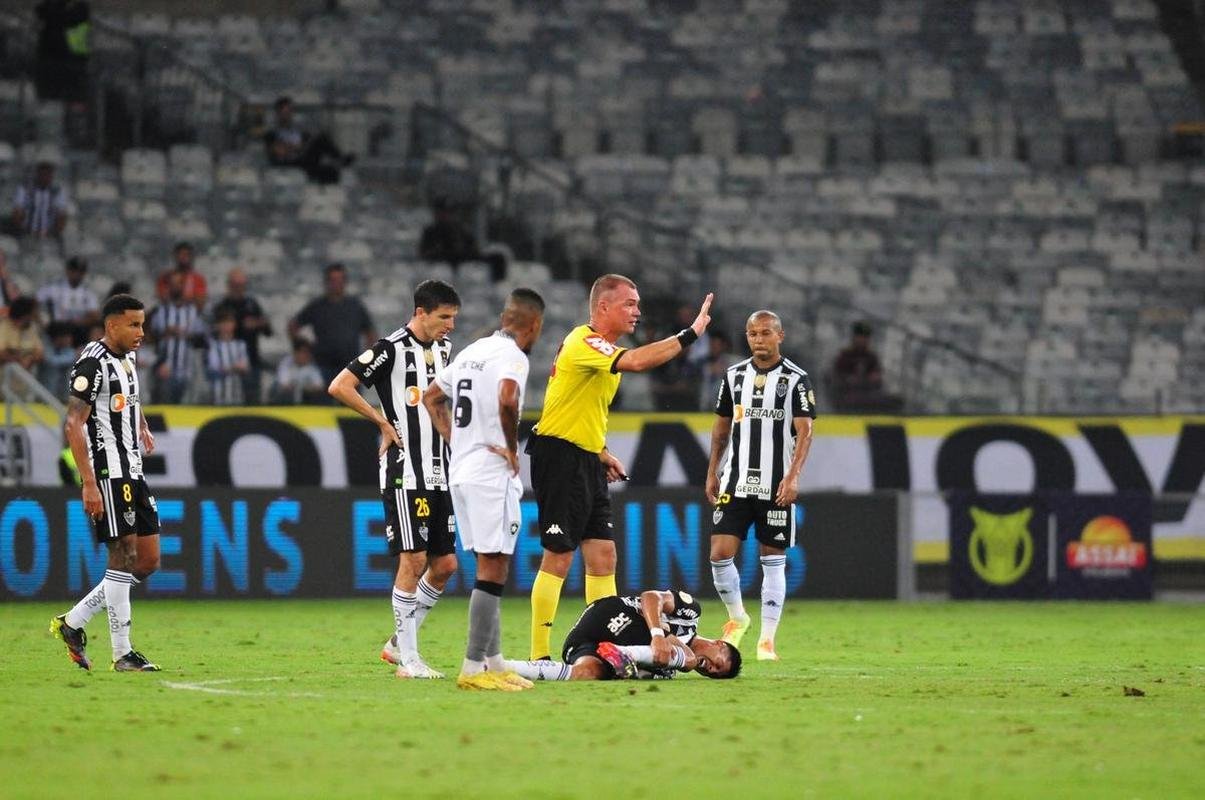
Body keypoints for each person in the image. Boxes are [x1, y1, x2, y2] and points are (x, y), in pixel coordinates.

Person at [526, 273, 713, 660]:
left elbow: (582, 408)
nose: (637, 312)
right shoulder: (585, 340)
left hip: (584, 456)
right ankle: (539, 655)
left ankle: (599, 644)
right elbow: (641, 361)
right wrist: (691, 333)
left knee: (603, 555)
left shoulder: (602, 351)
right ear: (603, 307)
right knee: (559, 554)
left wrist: (601, 451)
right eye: (630, 303)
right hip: (558, 455)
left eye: (638, 304)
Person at [328, 279, 461, 679]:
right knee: (414, 559)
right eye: (444, 317)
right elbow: (340, 385)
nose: (450, 325)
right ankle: (410, 660)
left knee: (446, 565)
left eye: (453, 318)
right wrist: (382, 422)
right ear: (420, 312)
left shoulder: (444, 350)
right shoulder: (389, 349)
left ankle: (397, 644)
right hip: (406, 471)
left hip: (441, 472)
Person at [423, 288, 546, 692]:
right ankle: (473, 667)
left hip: (462, 470)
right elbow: (508, 400)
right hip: (491, 474)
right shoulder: (514, 357)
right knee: (494, 568)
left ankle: (493, 662)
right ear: (534, 325)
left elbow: (431, 397)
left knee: (488, 565)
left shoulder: (474, 350)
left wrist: (455, 442)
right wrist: (512, 450)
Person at [50, 293, 162, 672]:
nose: (140, 332)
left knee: (146, 562)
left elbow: (128, 396)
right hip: (108, 472)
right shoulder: (91, 363)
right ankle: (122, 653)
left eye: (142, 324)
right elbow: (73, 423)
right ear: (111, 325)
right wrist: (88, 483)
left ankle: (74, 621)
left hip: (133, 468)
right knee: (123, 556)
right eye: (133, 324)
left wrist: (141, 422)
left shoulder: (128, 358)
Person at [705, 310, 816, 661]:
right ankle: (738, 618)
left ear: (779, 336)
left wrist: (794, 475)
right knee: (719, 554)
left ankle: (767, 640)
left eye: (766, 333)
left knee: (773, 559)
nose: (758, 339)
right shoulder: (733, 376)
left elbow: (805, 431)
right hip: (735, 482)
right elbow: (721, 429)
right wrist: (712, 471)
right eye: (753, 333)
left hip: (775, 485)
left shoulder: (796, 379)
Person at [505, 589, 741, 681]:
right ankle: (624, 654)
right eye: (718, 664)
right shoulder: (690, 615)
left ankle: (501, 666)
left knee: (586, 673)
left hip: (587, 644)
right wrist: (659, 633)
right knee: (684, 659)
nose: (711, 669)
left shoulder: (668, 671)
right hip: (614, 614)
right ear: (720, 644)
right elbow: (651, 597)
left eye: (714, 674)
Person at [289, 263, 376, 385]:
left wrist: (367, 360)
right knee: (322, 402)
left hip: (350, 367)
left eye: (340, 280)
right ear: (327, 282)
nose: (337, 284)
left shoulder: (355, 306)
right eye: (333, 280)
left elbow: (370, 333)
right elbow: (293, 326)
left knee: (350, 402)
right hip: (322, 366)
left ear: (345, 282)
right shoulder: (317, 306)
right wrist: (303, 348)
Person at [211, 268, 271, 403]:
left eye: (241, 285)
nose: (238, 288)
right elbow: (213, 332)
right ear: (229, 285)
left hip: (251, 359)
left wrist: (256, 323)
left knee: (252, 402)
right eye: (235, 285)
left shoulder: (252, 304)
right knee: (223, 396)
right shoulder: (222, 306)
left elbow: (268, 331)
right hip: (225, 361)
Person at [264, 96, 353, 185]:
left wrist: (299, 146)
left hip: (302, 158)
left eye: (290, 111)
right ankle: (339, 158)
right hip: (288, 162)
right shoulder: (272, 133)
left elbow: (302, 145)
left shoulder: (297, 131)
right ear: (278, 113)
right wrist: (296, 147)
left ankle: (337, 165)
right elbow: (280, 152)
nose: (288, 115)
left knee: (328, 169)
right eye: (285, 112)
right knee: (320, 139)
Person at [148, 270, 205, 404]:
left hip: (186, 369)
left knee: (185, 407)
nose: (176, 286)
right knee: (164, 402)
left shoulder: (191, 311)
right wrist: (166, 332)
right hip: (165, 369)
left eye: (179, 283)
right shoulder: (161, 310)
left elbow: (201, 338)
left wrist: (187, 334)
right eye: (172, 283)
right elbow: (150, 337)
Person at [829, 321, 902, 413]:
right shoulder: (845, 356)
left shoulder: (871, 357)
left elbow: (877, 377)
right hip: (849, 394)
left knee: (894, 401)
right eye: (860, 337)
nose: (863, 340)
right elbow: (838, 378)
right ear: (854, 338)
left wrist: (872, 379)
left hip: (868, 393)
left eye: (865, 337)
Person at [36, 256, 99, 344]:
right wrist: (42, 321)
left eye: (81, 272)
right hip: (57, 328)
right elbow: (35, 302)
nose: (77, 274)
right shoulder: (55, 287)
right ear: (68, 271)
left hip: (78, 329)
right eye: (74, 271)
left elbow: (94, 316)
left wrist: (78, 322)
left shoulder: (87, 292)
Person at [11, 161, 69, 240]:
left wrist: (55, 232)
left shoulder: (58, 191)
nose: (45, 176)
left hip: (49, 235)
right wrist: (22, 229)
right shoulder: (25, 189)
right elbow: (17, 211)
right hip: (27, 233)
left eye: (48, 173)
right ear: (37, 173)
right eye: (43, 173)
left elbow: (62, 215)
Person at [418, 199, 481, 268]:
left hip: (461, 268)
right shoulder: (430, 232)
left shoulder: (462, 231)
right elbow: (423, 254)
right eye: (442, 212)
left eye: (449, 212)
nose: (445, 215)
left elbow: (474, 252)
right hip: (438, 268)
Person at [206, 309, 250, 405]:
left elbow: (245, 367)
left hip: (237, 396)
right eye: (224, 322)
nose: (227, 325)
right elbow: (214, 369)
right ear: (218, 325)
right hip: (218, 397)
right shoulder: (213, 346)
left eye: (230, 322)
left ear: (234, 324)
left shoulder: (240, 345)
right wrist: (235, 367)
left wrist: (229, 368)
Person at [270, 338, 326, 404]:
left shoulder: (312, 366)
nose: (306, 355)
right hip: (284, 400)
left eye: (307, 352)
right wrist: (301, 387)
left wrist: (303, 388)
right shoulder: (286, 363)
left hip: (304, 400)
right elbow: (284, 385)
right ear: (296, 353)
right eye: (303, 352)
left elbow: (319, 386)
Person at [154, 242, 208, 309]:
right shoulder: (165, 277)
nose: (183, 258)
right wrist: (173, 290)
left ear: (191, 257)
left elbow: (200, 303)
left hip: (190, 314)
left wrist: (184, 297)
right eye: (180, 254)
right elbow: (162, 298)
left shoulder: (198, 279)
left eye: (187, 255)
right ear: (175, 256)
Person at [0, 296, 45, 373]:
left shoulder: (30, 328)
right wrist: (18, 360)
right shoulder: (4, 325)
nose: (34, 317)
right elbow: (1, 353)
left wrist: (30, 358)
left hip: (24, 378)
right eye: (32, 314)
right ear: (25, 315)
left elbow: (40, 354)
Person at [40, 320, 77, 390]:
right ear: (59, 337)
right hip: (44, 390)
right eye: (68, 337)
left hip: (60, 391)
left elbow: (72, 355)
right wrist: (74, 356)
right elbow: (50, 361)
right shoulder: (45, 346)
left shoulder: (66, 349)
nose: (70, 339)